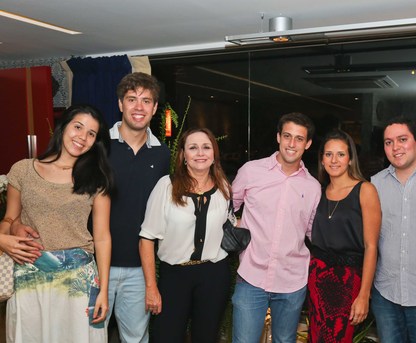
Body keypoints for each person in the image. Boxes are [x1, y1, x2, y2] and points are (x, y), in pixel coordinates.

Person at [3, 104, 113, 342]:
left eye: (91, 134)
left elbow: (103, 237)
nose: (82, 137)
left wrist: (103, 290)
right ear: (63, 127)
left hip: (79, 282)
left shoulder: (97, 179)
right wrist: (6, 236)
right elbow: (9, 219)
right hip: (30, 276)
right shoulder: (23, 170)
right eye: (78, 127)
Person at [231, 112, 321, 343]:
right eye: (287, 136)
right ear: (278, 137)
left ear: (308, 144)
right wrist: (237, 224)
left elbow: (313, 232)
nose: (292, 144)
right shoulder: (251, 171)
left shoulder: (313, 187)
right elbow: (226, 207)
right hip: (252, 277)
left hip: (292, 282)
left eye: (299, 139)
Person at [139, 128, 232, 343]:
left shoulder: (224, 188)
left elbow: (229, 225)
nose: (200, 153)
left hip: (214, 275)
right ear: (183, 155)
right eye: (193, 147)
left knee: (206, 337)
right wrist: (151, 287)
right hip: (175, 277)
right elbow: (146, 239)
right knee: (166, 336)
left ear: (214, 154)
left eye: (206, 147)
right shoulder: (166, 187)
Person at [106, 72, 171, 342]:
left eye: (146, 101)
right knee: (85, 336)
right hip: (97, 265)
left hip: (139, 269)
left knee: (136, 339)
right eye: (132, 99)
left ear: (155, 108)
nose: (139, 107)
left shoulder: (162, 153)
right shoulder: (98, 146)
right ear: (120, 104)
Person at [370, 117, 416, 343]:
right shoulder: (375, 183)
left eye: (402, 139)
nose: (395, 147)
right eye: (388, 142)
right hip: (386, 293)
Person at [307, 129, 380, 342]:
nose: (334, 160)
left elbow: (371, 246)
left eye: (341, 154)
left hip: (348, 281)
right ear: (322, 160)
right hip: (317, 277)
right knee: (316, 337)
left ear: (350, 159)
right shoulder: (318, 191)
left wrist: (364, 295)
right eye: (328, 154)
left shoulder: (365, 190)